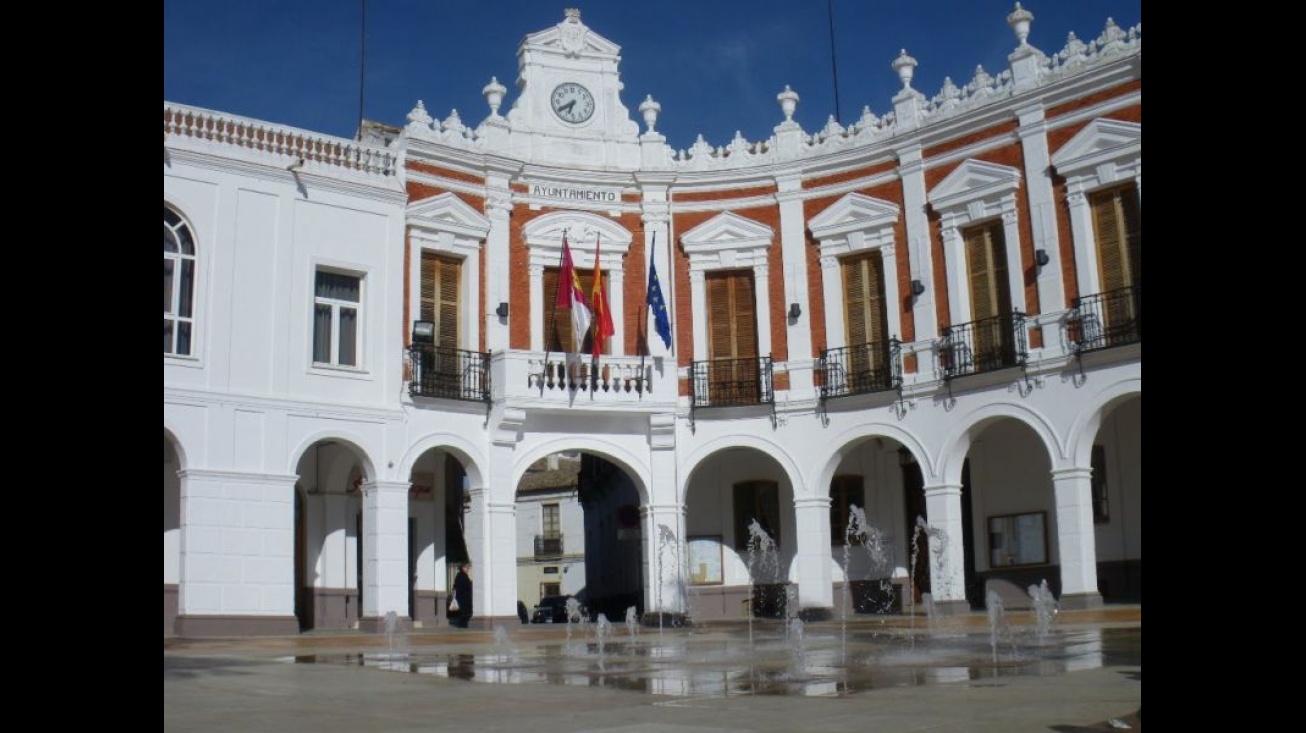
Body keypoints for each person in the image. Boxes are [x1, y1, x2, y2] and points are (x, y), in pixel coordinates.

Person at [450, 563, 473, 628]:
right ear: (462, 568)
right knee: (464, 613)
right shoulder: (461, 576)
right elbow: (464, 586)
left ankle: (462, 624)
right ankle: (462, 625)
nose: (467, 569)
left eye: (468, 568)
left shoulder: (463, 576)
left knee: (464, 612)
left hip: (464, 598)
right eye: (466, 567)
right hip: (462, 598)